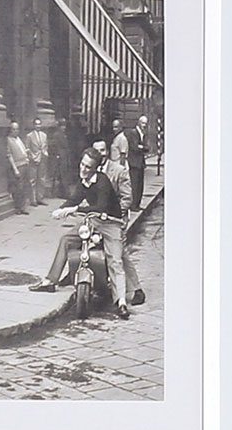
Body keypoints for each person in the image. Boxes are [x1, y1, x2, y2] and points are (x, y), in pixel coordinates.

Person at [27, 148, 128, 317]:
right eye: (82, 164)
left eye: (88, 167)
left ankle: (121, 302)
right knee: (66, 239)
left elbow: (101, 207)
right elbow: (74, 199)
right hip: (93, 221)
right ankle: (50, 281)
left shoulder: (102, 181)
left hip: (111, 223)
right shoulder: (84, 181)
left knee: (116, 261)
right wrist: (61, 210)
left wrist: (75, 209)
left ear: (96, 168)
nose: (83, 169)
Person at [99, 139, 147, 308]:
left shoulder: (119, 170)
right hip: (99, 219)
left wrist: (113, 213)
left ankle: (135, 289)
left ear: (107, 152)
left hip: (116, 219)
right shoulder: (93, 170)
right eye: (97, 151)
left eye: (102, 150)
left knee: (119, 254)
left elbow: (127, 198)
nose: (100, 154)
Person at [4, 121, 30, 213]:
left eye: (17, 129)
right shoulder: (8, 140)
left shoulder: (18, 139)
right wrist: (15, 169)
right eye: (13, 129)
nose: (15, 131)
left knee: (24, 187)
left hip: (25, 163)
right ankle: (18, 207)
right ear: (10, 130)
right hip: (18, 165)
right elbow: (9, 155)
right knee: (19, 188)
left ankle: (23, 206)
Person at [25, 117, 49, 205]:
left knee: (42, 179)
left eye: (39, 124)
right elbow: (27, 148)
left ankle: (40, 198)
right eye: (36, 124)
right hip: (33, 160)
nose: (38, 126)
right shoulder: (29, 136)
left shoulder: (44, 135)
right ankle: (33, 199)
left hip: (42, 159)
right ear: (34, 125)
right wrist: (32, 157)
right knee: (33, 180)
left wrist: (45, 154)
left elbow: (46, 146)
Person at [128, 114, 149, 209]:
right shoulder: (133, 133)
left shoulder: (143, 134)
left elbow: (147, 148)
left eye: (146, 123)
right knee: (135, 185)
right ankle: (133, 205)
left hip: (140, 163)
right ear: (139, 123)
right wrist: (142, 147)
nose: (144, 125)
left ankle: (137, 204)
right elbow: (134, 147)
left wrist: (142, 147)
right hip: (134, 163)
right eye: (143, 123)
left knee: (140, 185)